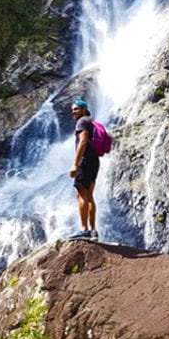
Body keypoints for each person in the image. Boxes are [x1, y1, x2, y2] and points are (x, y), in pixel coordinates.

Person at [69, 99, 99, 239]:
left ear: (83, 109)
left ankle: (84, 230)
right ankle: (93, 230)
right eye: (72, 109)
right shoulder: (91, 122)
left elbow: (83, 141)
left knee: (81, 195)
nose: (73, 112)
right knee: (89, 195)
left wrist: (75, 163)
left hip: (85, 161)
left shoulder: (82, 122)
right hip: (94, 161)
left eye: (76, 109)